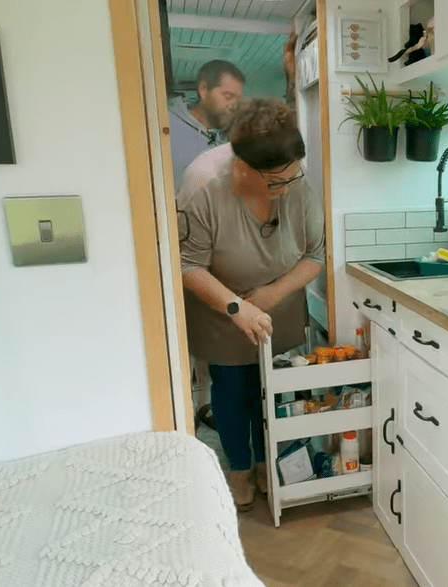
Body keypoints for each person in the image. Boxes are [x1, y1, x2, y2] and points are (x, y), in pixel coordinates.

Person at [177, 98, 325, 511]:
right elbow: (186, 265)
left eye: (291, 178)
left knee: (272, 389)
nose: (286, 190)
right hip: (220, 305)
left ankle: (266, 463)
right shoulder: (203, 185)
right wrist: (238, 307)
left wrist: (272, 295)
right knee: (232, 390)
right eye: (275, 183)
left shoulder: (296, 181)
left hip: (279, 300)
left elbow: (316, 254)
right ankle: (238, 469)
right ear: (240, 166)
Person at [168, 60, 245, 191]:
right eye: (228, 96)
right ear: (203, 90)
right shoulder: (167, 122)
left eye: (238, 99)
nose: (234, 105)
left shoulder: (231, 137)